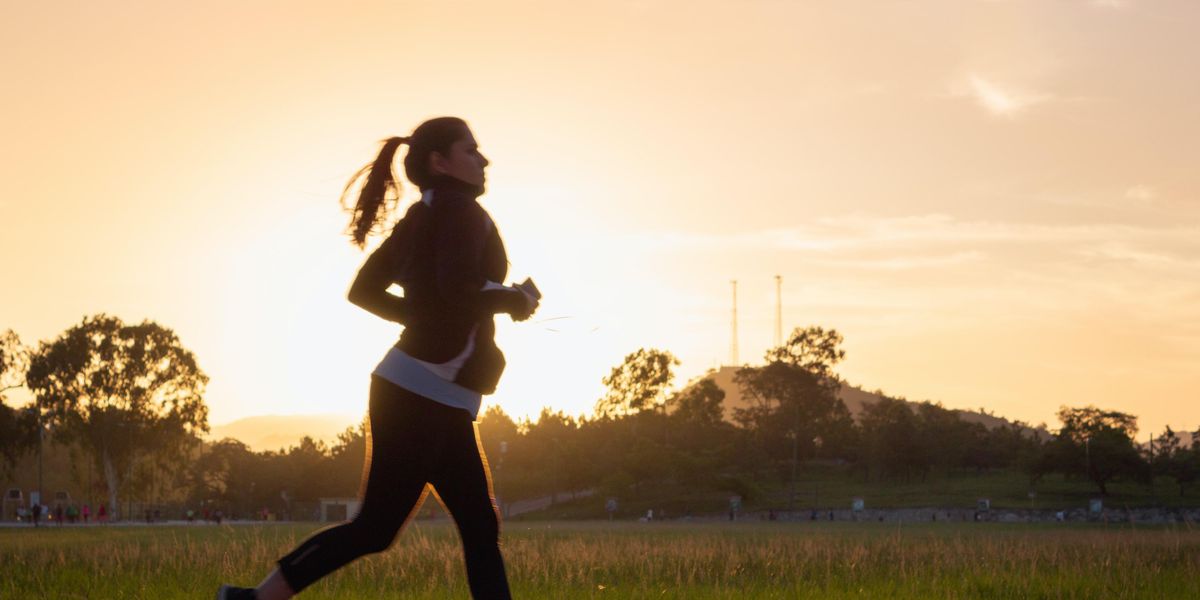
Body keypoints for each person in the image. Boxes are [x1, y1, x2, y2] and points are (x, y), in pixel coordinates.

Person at [217, 117, 537, 600]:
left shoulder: (423, 215)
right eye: (471, 150)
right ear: (439, 161)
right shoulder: (460, 211)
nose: (483, 159)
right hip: (422, 395)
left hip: (427, 393)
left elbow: (364, 291)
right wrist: (512, 299)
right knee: (383, 528)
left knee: (470, 524)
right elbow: (458, 289)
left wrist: (428, 315)